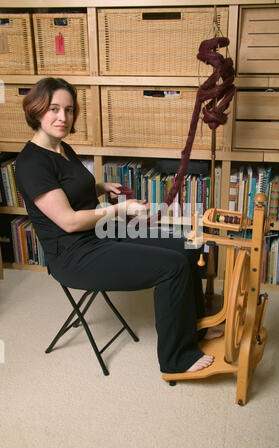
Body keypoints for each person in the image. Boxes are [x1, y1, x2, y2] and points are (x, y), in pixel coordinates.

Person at [15, 77, 221, 375]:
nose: (63, 117)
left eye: (69, 110)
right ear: (36, 109)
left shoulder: (61, 148)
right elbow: (69, 221)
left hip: (99, 234)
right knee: (172, 266)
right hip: (75, 254)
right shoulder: (31, 164)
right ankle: (176, 358)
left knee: (188, 246)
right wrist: (120, 209)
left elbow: (70, 189)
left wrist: (100, 185)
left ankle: (195, 329)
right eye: (54, 109)